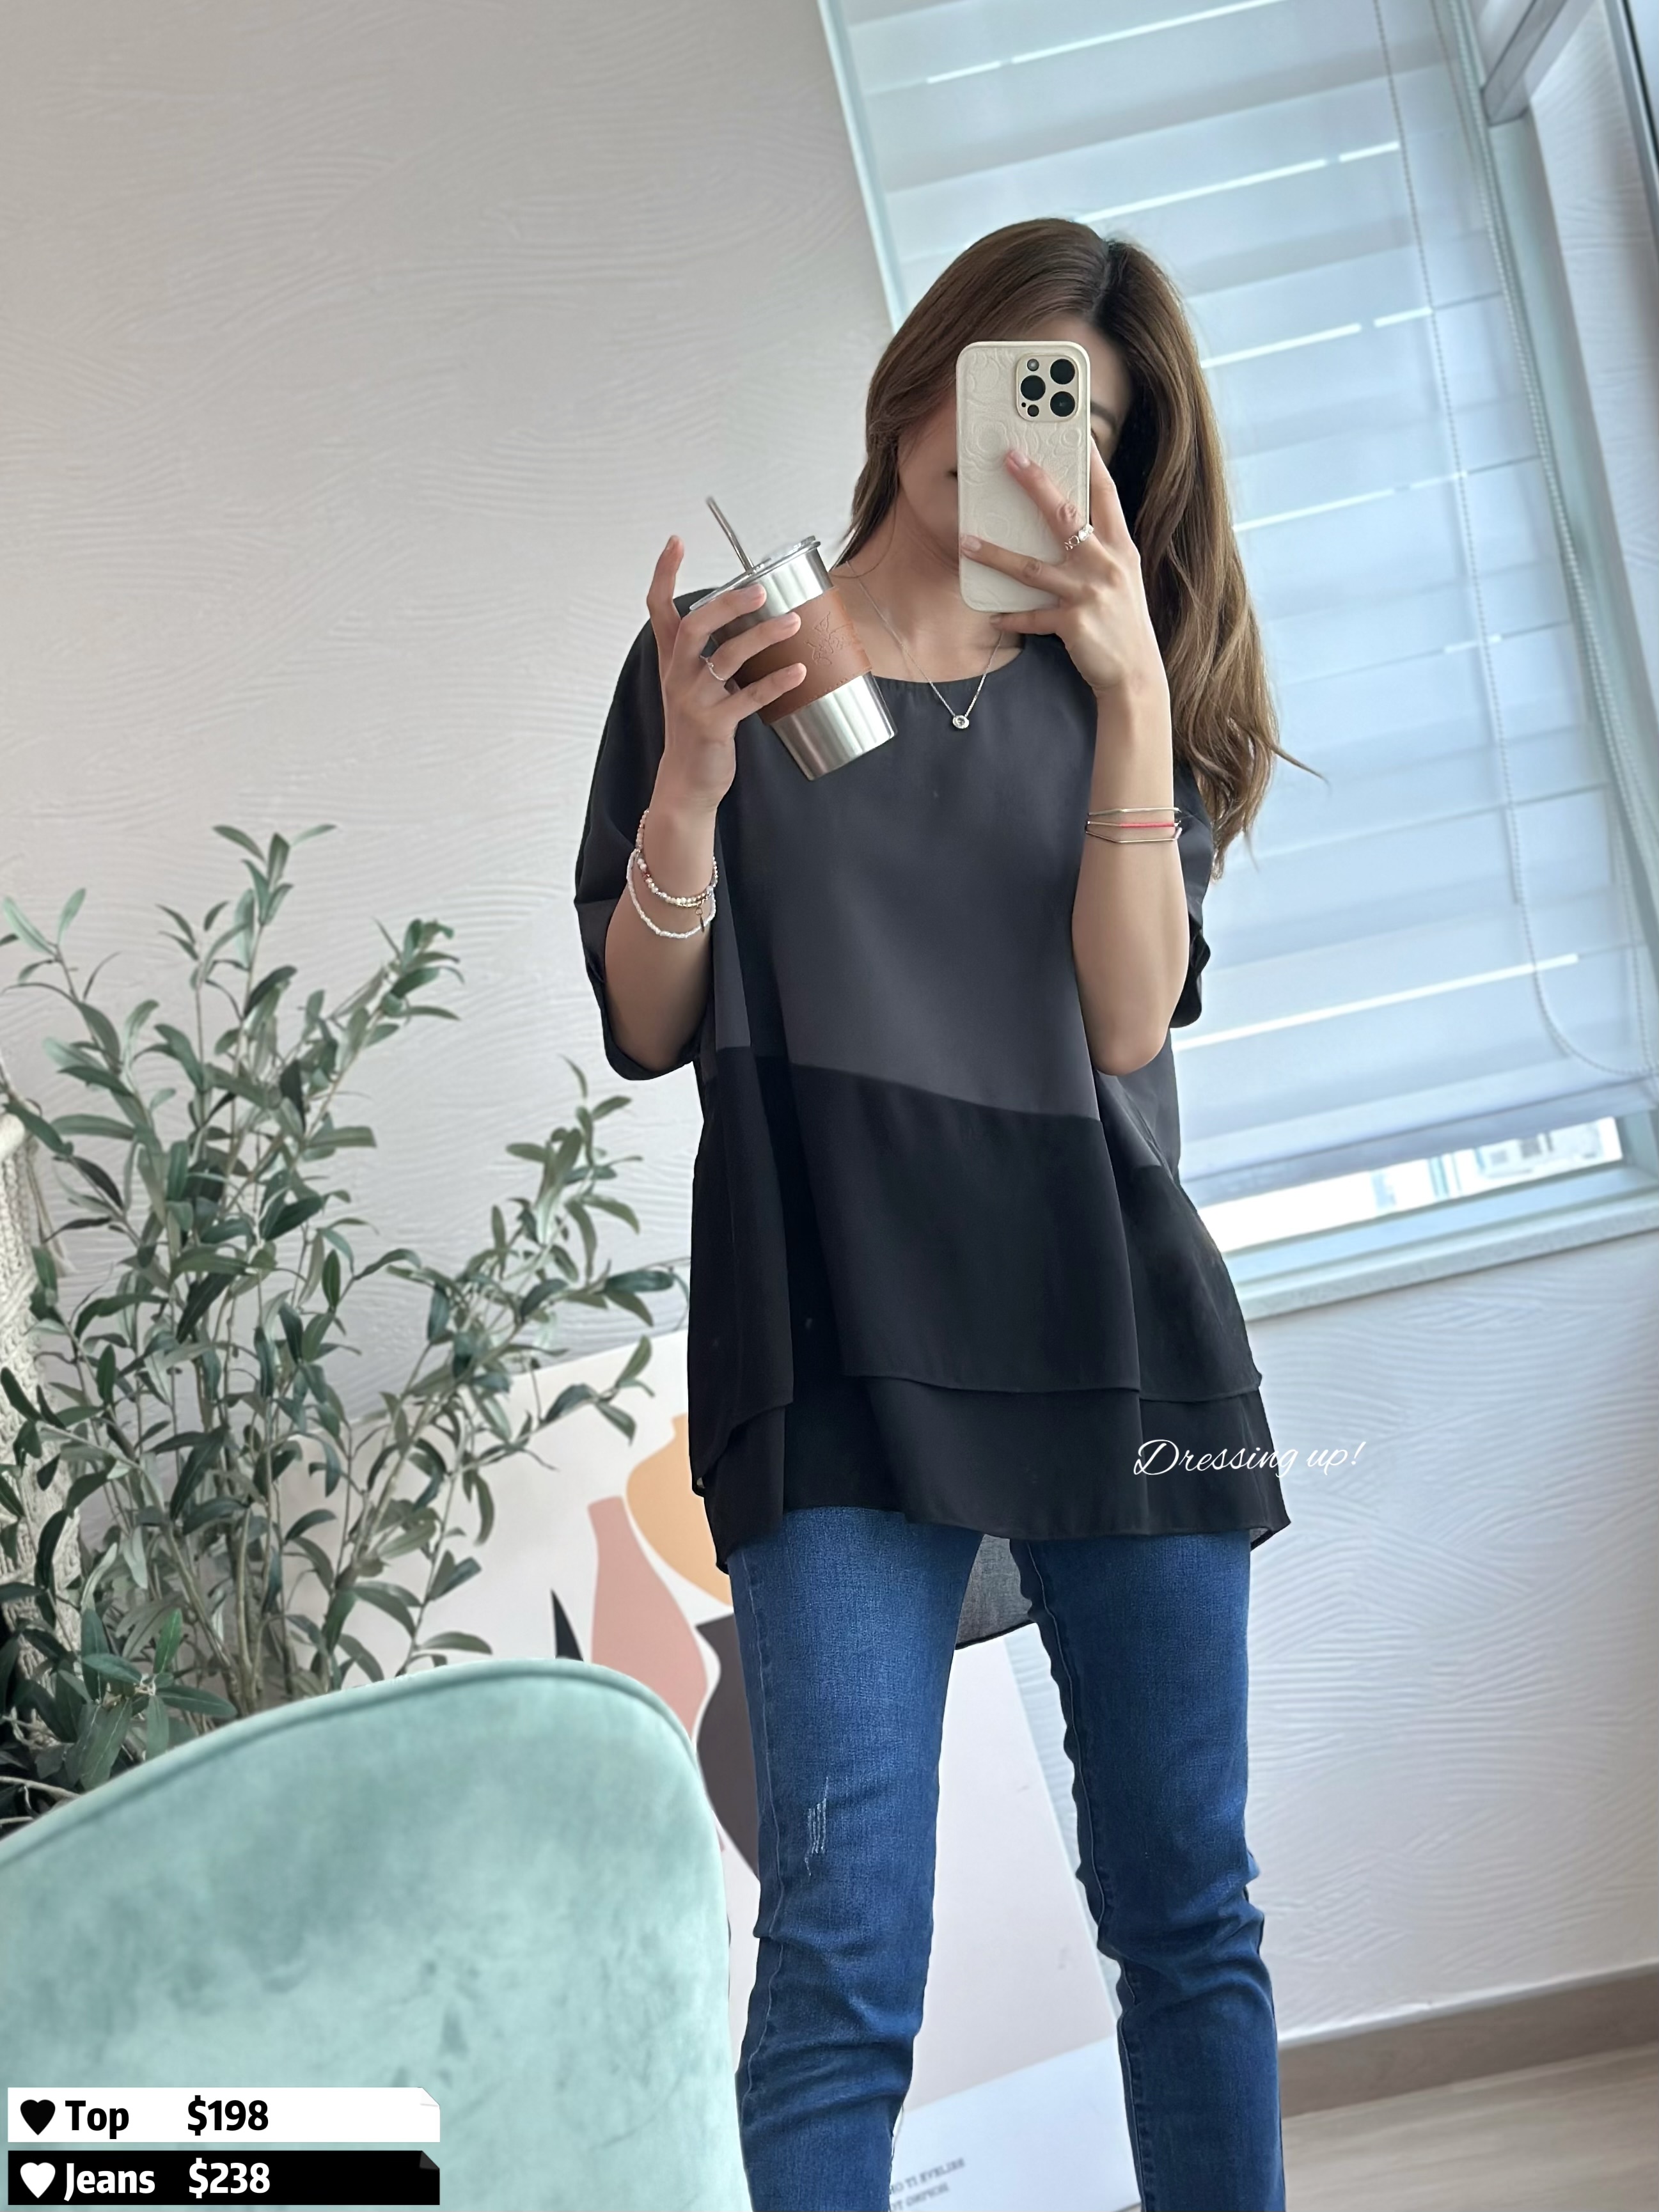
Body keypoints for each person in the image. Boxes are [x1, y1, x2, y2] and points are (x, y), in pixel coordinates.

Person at [574, 217, 1310, 2212]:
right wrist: (690, 785)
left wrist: (1131, 692)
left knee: (1186, 1916)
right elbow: (647, 1022)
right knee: (837, 1962)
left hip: (1115, 1337)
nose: (1022, 445)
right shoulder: (722, 653)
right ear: (923, 375)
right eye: (1009, 380)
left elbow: (1126, 1017)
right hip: (830, 1350)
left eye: (1078, 423)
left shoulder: (1110, 688)